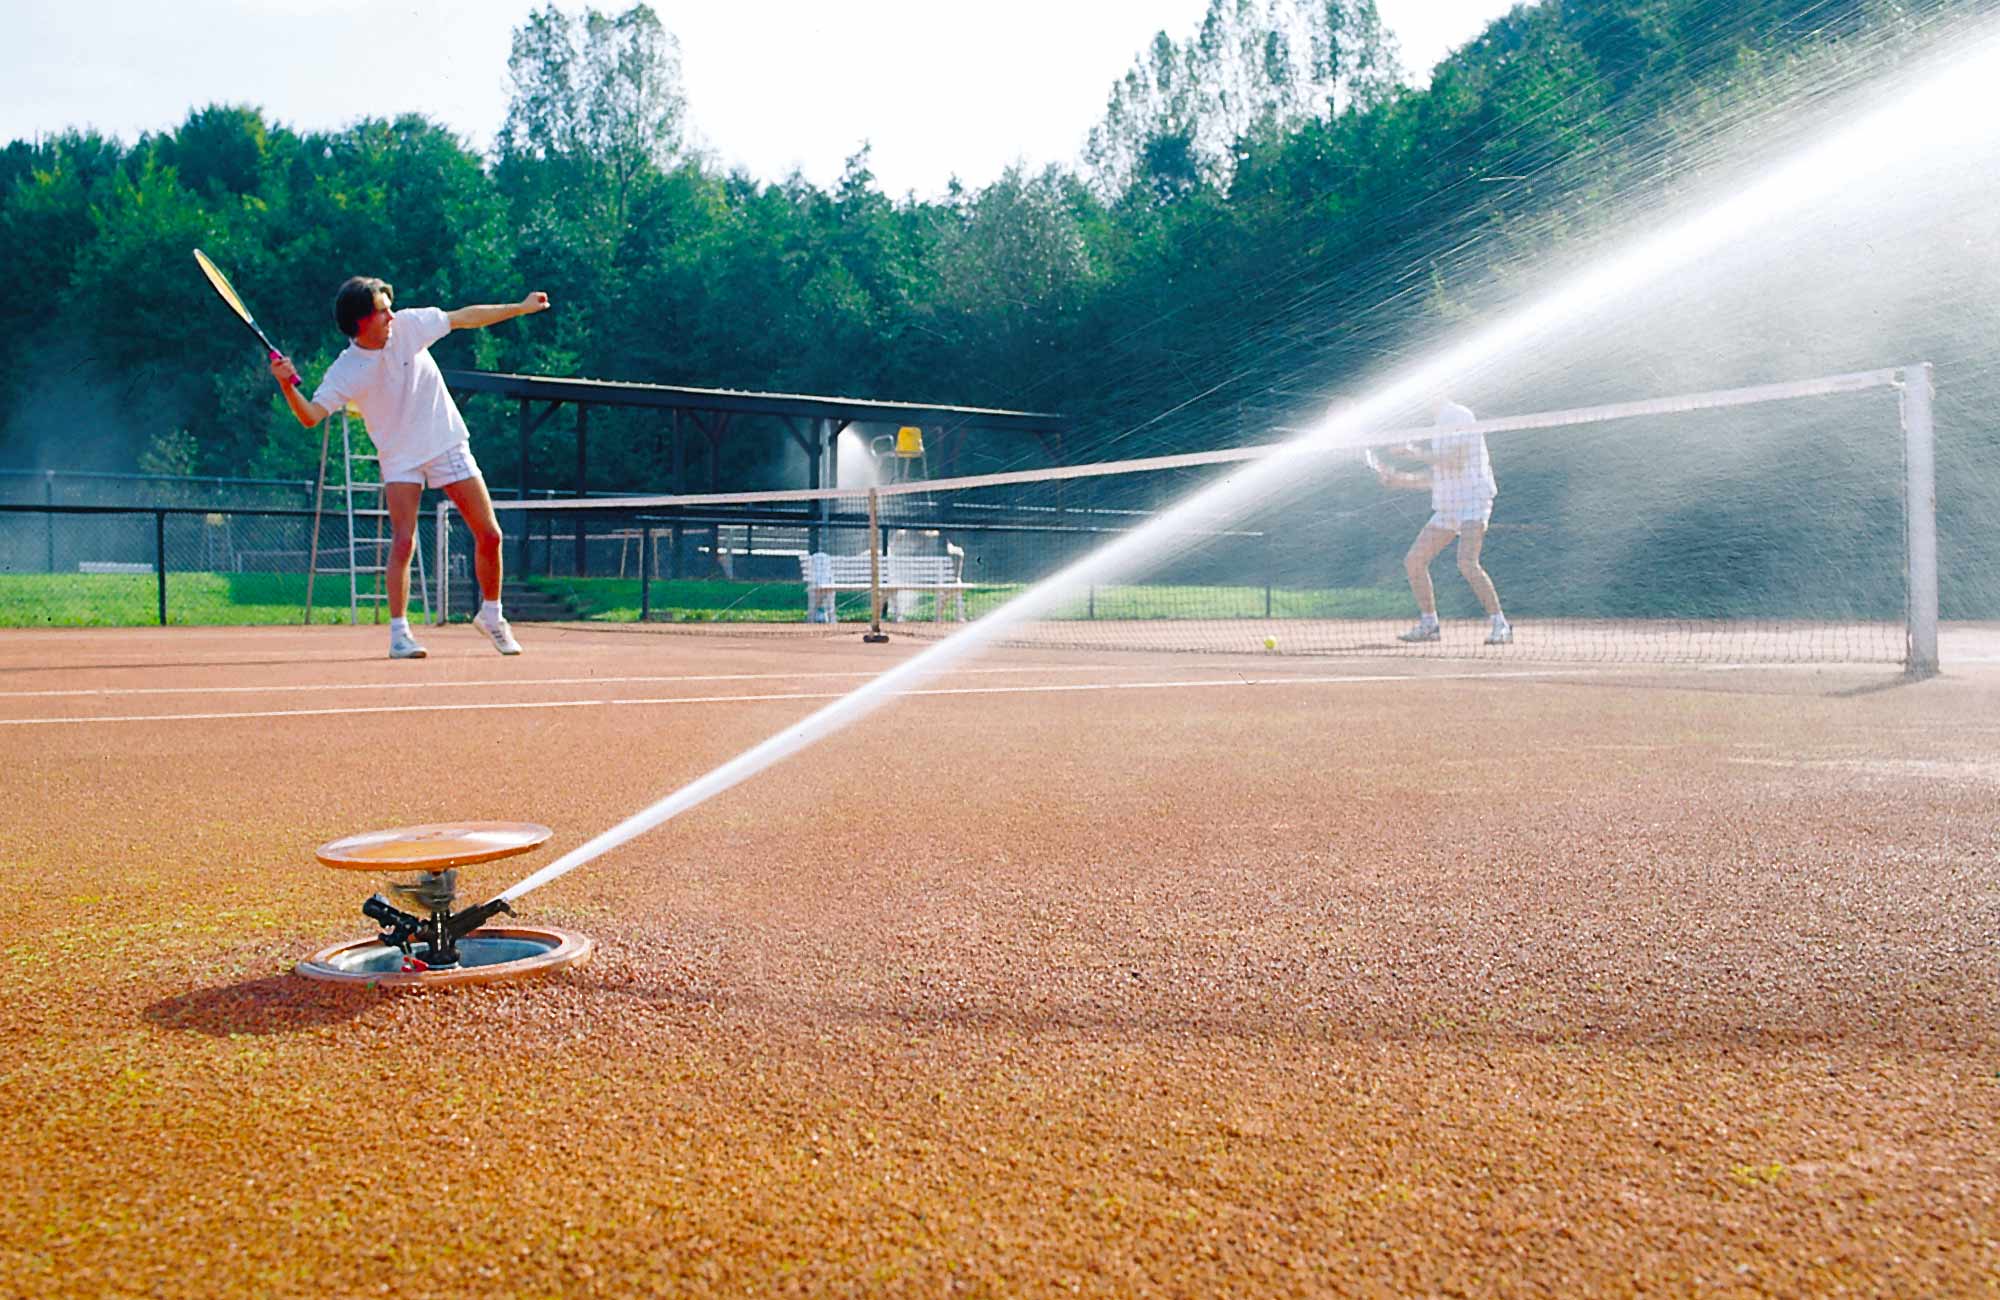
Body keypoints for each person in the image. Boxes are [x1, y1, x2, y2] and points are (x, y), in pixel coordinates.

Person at [270, 277, 548, 658]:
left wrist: (520, 306)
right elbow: (311, 415)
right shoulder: (346, 370)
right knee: (403, 541)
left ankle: (492, 616)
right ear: (361, 321)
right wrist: (287, 386)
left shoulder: (409, 326)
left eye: (389, 307)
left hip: (445, 439)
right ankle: (400, 634)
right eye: (382, 310)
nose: (391, 315)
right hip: (400, 455)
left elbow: (465, 317)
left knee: (491, 535)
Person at [1371, 394, 1512, 646]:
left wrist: (1413, 452)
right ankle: (1429, 624)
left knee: (1467, 562)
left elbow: (1456, 462)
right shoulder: (1437, 426)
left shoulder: (1459, 415)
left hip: (1473, 500)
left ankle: (1500, 624)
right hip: (1449, 506)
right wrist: (1399, 479)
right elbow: (1436, 476)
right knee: (1414, 561)